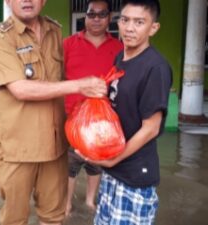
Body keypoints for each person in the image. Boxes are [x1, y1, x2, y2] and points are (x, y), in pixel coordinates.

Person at [0, 0, 108, 224]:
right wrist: (79, 85)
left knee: (53, 217)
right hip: (17, 150)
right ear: (8, 1)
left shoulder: (54, 31)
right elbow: (20, 89)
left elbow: (61, 78)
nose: (26, 0)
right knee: (15, 219)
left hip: (54, 148)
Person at [78, 0, 172, 224]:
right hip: (112, 171)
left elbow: (151, 128)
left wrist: (113, 160)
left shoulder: (155, 68)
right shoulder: (120, 58)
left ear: (153, 28)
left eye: (139, 22)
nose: (130, 28)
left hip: (134, 176)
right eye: (125, 20)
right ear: (118, 22)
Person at [63, 0, 123, 216]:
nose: (96, 19)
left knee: (96, 164)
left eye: (101, 14)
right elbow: (58, 78)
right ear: (85, 17)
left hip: (104, 121)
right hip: (72, 118)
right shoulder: (68, 44)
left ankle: (90, 201)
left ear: (109, 18)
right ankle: (67, 204)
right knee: (69, 166)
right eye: (92, 14)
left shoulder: (119, 48)